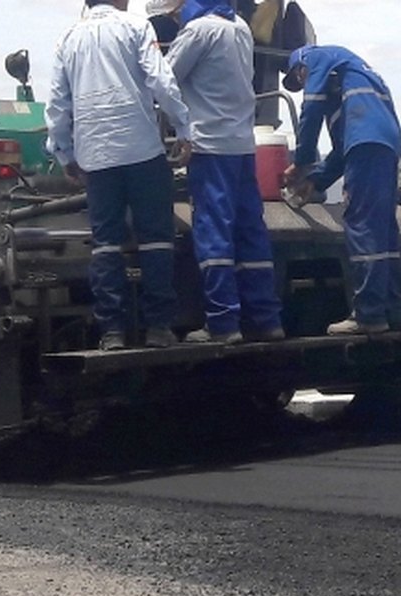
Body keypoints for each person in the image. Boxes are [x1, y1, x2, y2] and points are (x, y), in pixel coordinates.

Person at [46, 0, 192, 350]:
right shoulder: (136, 27)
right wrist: (184, 125)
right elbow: (160, 80)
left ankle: (112, 331)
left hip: (95, 158)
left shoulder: (68, 38)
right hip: (142, 151)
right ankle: (158, 327)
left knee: (106, 244)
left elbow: (57, 103)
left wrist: (63, 151)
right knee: (156, 238)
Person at [167, 0, 285, 344]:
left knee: (213, 232)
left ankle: (222, 323)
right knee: (250, 230)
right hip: (243, 146)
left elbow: (165, 78)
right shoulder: (241, 30)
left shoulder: (198, 30)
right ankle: (266, 319)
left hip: (209, 147)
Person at [281, 45, 401, 335]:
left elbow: (310, 110)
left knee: (362, 225)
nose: (303, 86)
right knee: (383, 230)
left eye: (299, 80)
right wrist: (315, 181)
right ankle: (395, 311)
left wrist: (300, 162)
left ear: (302, 67)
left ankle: (369, 314)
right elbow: (341, 151)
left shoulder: (317, 58)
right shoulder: (353, 83)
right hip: (385, 144)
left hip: (365, 145)